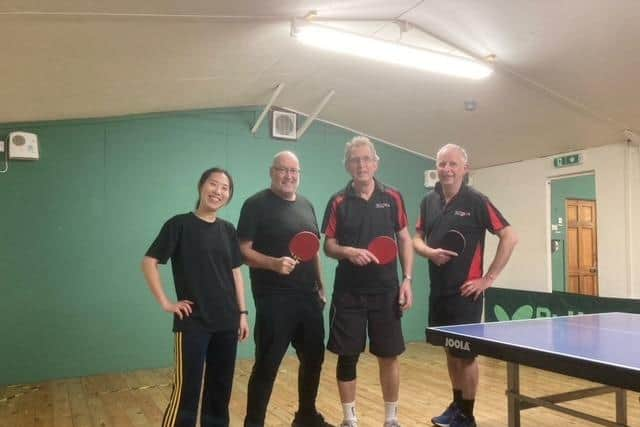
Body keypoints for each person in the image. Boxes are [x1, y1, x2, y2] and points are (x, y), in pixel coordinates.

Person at [413, 144, 518, 427]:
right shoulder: (429, 201)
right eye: (442, 164)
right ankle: (456, 405)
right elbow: (417, 238)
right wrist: (428, 252)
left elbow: (509, 236)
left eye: (453, 164)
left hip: (466, 295)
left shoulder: (476, 200)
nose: (446, 169)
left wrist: (488, 279)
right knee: (451, 351)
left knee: (466, 356)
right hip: (439, 293)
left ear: (464, 169)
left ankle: (467, 415)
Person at [142, 167, 250, 427]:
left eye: (225, 188)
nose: (218, 192)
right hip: (193, 322)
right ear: (202, 186)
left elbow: (236, 273)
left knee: (219, 392)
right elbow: (149, 262)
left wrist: (243, 314)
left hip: (227, 321)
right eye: (214, 184)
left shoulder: (228, 230)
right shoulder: (178, 224)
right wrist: (166, 303)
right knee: (186, 392)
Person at [321, 136, 414, 427]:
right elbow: (328, 245)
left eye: (366, 159)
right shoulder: (337, 201)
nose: (361, 164)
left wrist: (407, 279)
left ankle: (391, 419)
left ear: (375, 162)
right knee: (347, 357)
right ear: (347, 165)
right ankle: (349, 420)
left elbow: (404, 238)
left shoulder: (393, 197)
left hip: (386, 292)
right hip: (349, 294)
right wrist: (347, 252)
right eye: (355, 160)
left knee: (389, 356)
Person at [238, 151, 332, 427]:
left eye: (294, 171)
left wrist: (321, 287)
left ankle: (306, 417)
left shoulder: (307, 205)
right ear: (272, 171)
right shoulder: (255, 205)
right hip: (274, 299)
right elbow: (242, 251)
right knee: (267, 365)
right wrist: (273, 263)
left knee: (314, 359)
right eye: (283, 169)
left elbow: (313, 249)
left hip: (308, 297)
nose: (289, 175)